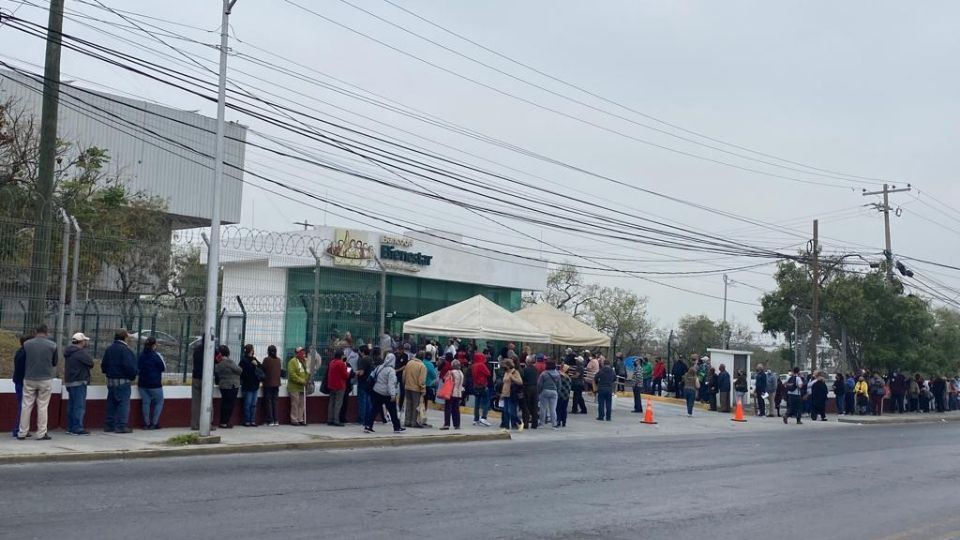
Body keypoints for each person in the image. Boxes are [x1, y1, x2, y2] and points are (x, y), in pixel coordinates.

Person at [17, 325, 57, 441]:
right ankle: (41, 433)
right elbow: (54, 362)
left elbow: (23, 359)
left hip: (29, 377)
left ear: (35, 331)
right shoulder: (53, 345)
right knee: (43, 406)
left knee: (26, 405)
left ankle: (22, 432)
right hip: (45, 378)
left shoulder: (27, 344)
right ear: (46, 332)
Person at [101, 330, 138, 434]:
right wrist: (133, 375)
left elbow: (104, 365)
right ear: (125, 338)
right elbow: (130, 367)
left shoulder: (109, 349)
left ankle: (109, 425)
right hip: (122, 381)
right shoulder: (125, 350)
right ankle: (121, 426)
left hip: (111, 381)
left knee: (111, 403)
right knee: (123, 404)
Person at [64, 332, 94, 435]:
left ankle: (70, 427)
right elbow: (91, 363)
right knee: (79, 406)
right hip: (79, 381)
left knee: (72, 405)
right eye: (85, 341)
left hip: (70, 381)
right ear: (81, 342)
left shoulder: (69, 352)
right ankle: (77, 427)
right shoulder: (80, 353)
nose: (86, 342)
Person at [369, 353, 404, 433]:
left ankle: (368, 426)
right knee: (393, 411)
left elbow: (372, 375)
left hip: (376, 391)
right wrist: (393, 395)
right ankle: (397, 427)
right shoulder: (391, 371)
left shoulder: (379, 367)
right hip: (386, 394)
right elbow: (391, 384)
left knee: (374, 410)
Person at [137, 337, 166, 430]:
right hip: (155, 384)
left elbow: (137, 367)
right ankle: (154, 423)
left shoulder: (141, 355)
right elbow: (162, 367)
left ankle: (146, 423)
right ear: (154, 345)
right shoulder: (156, 355)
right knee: (159, 402)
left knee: (145, 403)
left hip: (142, 383)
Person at [214, 345, 241, 428]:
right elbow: (239, 370)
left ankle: (223, 421)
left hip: (223, 385)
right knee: (230, 404)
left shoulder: (218, 363)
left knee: (224, 403)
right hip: (232, 385)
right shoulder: (229, 362)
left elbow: (216, 372)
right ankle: (225, 422)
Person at [11, 333, 31, 438]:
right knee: (23, 407)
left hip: (18, 382)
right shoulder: (25, 354)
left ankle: (19, 428)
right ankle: (18, 429)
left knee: (22, 406)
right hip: (22, 383)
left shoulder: (19, 352)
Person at [238, 344, 262, 427]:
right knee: (248, 404)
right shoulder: (244, 361)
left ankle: (252, 420)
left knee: (253, 404)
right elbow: (241, 373)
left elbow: (261, 368)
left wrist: (256, 364)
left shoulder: (254, 359)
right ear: (251, 350)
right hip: (248, 385)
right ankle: (247, 420)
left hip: (255, 385)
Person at [402, 350, 426, 428]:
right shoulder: (422, 366)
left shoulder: (409, 363)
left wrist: (404, 383)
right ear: (423, 357)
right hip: (416, 389)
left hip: (407, 387)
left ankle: (407, 421)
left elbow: (404, 375)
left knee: (408, 404)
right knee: (416, 406)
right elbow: (421, 380)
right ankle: (413, 422)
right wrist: (423, 389)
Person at [326, 350, 349, 427]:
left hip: (331, 384)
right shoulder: (341, 363)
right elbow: (345, 375)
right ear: (341, 356)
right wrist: (348, 372)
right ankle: (336, 420)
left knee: (331, 402)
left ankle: (330, 419)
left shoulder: (331, 362)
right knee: (338, 403)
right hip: (340, 385)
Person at [190, 337, 209, 431]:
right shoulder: (212, 349)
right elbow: (219, 360)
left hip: (196, 376)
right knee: (208, 402)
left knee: (196, 402)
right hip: (206, 378)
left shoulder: (196, 349)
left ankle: (195, 424)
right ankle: (207, 424)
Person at [440, 359, 464, 430]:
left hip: (451, 393)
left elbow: (445, 380)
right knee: (456, 409)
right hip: (458, 393)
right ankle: (457, 425)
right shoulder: (461, 373)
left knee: (448, 409)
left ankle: (446, 424)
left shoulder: (451, 372)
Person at [356, 346, 376, 429]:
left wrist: (353, 373)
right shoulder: (370, 359)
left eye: (359, 351)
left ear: (362, 352)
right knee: (368, 402)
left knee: (362, 401)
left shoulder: (363, 360)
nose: (358, 352)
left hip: (362, 382)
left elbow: (361, 372)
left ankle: (362, 419)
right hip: (369, 383)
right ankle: (368, 419)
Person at [498, 359, 522, 430]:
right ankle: (506, 425)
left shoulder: (515, 372)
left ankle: (518, 422)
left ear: (508, 365)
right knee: (505, 411)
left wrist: (512, 378)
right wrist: (502, 394)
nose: (503, 367)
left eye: (504, 366)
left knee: (511, 411)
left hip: (511, 394)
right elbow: (505, 383)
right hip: (505, 393)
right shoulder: (506, 372)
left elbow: (520, 382)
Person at [537, 360, 562, 429]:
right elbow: (559, 385)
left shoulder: (543, 374)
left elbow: (539, 384)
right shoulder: (557, 374)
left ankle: (542, 423)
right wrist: (558, 392)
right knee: (553, 409)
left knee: (543, 408)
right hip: (554, 392)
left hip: (544, 391)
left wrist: (539, 392)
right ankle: (554, 424)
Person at [287, 347, 308, 426]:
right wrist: (301, 380)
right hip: (294, 387)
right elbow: (292, 375)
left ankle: (300, 419)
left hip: (302, 387)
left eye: (303, 352)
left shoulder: (303, 361)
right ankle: (294, 419)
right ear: (296, 353)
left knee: (301, 404)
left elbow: (306, 372)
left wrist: (306, 380)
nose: (303, 353)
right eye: (301, 352)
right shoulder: (292, 362)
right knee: (295, 404)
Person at [261, 345, 282, 426]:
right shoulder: (278, 360)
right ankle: (276, 420)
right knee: (275, 402)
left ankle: (270, 420)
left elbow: (262, 369)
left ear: (268, 352)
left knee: (268, 402)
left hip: (268, 384)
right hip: (276, 384)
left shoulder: (266, 360)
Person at [471, 351, 492, 426]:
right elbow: (488, 373)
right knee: (486, 402)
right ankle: (484, 417)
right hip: (483, 385)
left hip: (476, 385)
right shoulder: (482, 365)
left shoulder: (473, 365)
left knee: (477, 403)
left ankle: (476, 419)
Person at [521, 360, 540, 429]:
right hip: (535, 388)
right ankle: (535, 424)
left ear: (527, 363)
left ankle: (526, 424)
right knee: (534, 406)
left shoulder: (525, 370)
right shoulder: (535, 370)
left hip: (526, 388)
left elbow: (522, 379)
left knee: (526, 406)